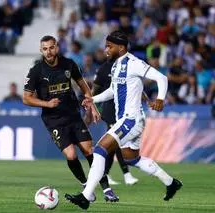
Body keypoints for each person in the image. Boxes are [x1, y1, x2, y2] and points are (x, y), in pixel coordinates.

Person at [65, 31, 182, 210]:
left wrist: (160, 98)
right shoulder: (115, 65)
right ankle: (171, 182)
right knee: (131, 159)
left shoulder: (134, 63)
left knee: (99, 150)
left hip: (131, 120)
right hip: (131, 120)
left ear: (121, 48)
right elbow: (112, 90)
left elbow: (162, 77)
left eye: (109, 46)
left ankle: (85, 196)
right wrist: (93, 99)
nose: (106, 49)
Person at [23, 35, 119, 202]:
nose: (48, 52)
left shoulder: (68, 64)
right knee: (71, 155)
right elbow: (26, 98)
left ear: (57, 47)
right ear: (41, 50)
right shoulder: (36, 71)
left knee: (90, 151)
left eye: (51, 48)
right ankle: (85, 185)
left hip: (73, 115)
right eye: (45, 49)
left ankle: (107, 189)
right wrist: (47, 104)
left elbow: (84, 86)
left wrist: (93, 107)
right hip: (53, 120)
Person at [86, 57, 139, 186]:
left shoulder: (127, 66)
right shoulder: (104, 68)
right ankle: (126, 175)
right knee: (118, 141)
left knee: (114, 144)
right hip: (110, 110)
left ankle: (106, 174)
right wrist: (91, 106)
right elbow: (96, 88)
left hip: (124, 109)